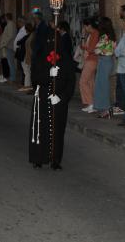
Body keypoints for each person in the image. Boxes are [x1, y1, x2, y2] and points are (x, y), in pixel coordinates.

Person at [28, 16, 76, 170]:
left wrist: (61, 97)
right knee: (41, 128)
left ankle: (56, 159)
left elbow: (71, 82)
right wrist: (49, 73)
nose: (51, 45)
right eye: (48, 41)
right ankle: (39, 157)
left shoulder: (66, 60)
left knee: (57, 130)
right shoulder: (40, 59)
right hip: (42, 97)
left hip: (58, 99)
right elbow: (35, 79)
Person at [93, 17, 116, 118]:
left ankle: (105, 109)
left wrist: (99, 50)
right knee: (102, 85)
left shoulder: (104, 36)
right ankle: (104, 109)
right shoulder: (110, 35)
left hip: (104, 61)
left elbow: (97, 50)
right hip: (107, 60)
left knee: (102, 86)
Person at [79, 17, 99, 113]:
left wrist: (86, 48)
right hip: (89, 59)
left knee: (83, 81)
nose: (84, 28)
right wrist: (83, 37)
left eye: (85, 26)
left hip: (92, 60)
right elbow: (82, 46)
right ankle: (91, 103)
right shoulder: (90, 34)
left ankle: (91, 103)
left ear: (89, 25)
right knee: (90, 82)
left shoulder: (95, 33)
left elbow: (91, 49)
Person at [0, 13, 16, 83]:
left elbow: (10, 36)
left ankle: (12, 78)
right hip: (9, 45)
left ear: (7, 17)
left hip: (9, 46)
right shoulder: (10, 24)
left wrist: (4, 44)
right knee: (10, 63)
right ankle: (11, 77)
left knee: (10, 63)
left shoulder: (10, 25)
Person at [19, 22, 35, 92]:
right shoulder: (31, 35)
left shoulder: (29, 36)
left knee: (27, 72)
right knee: (27, 71)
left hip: (27, 55)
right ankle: (28, 86)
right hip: (27, 55)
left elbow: (29, 47)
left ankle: (27, 86)